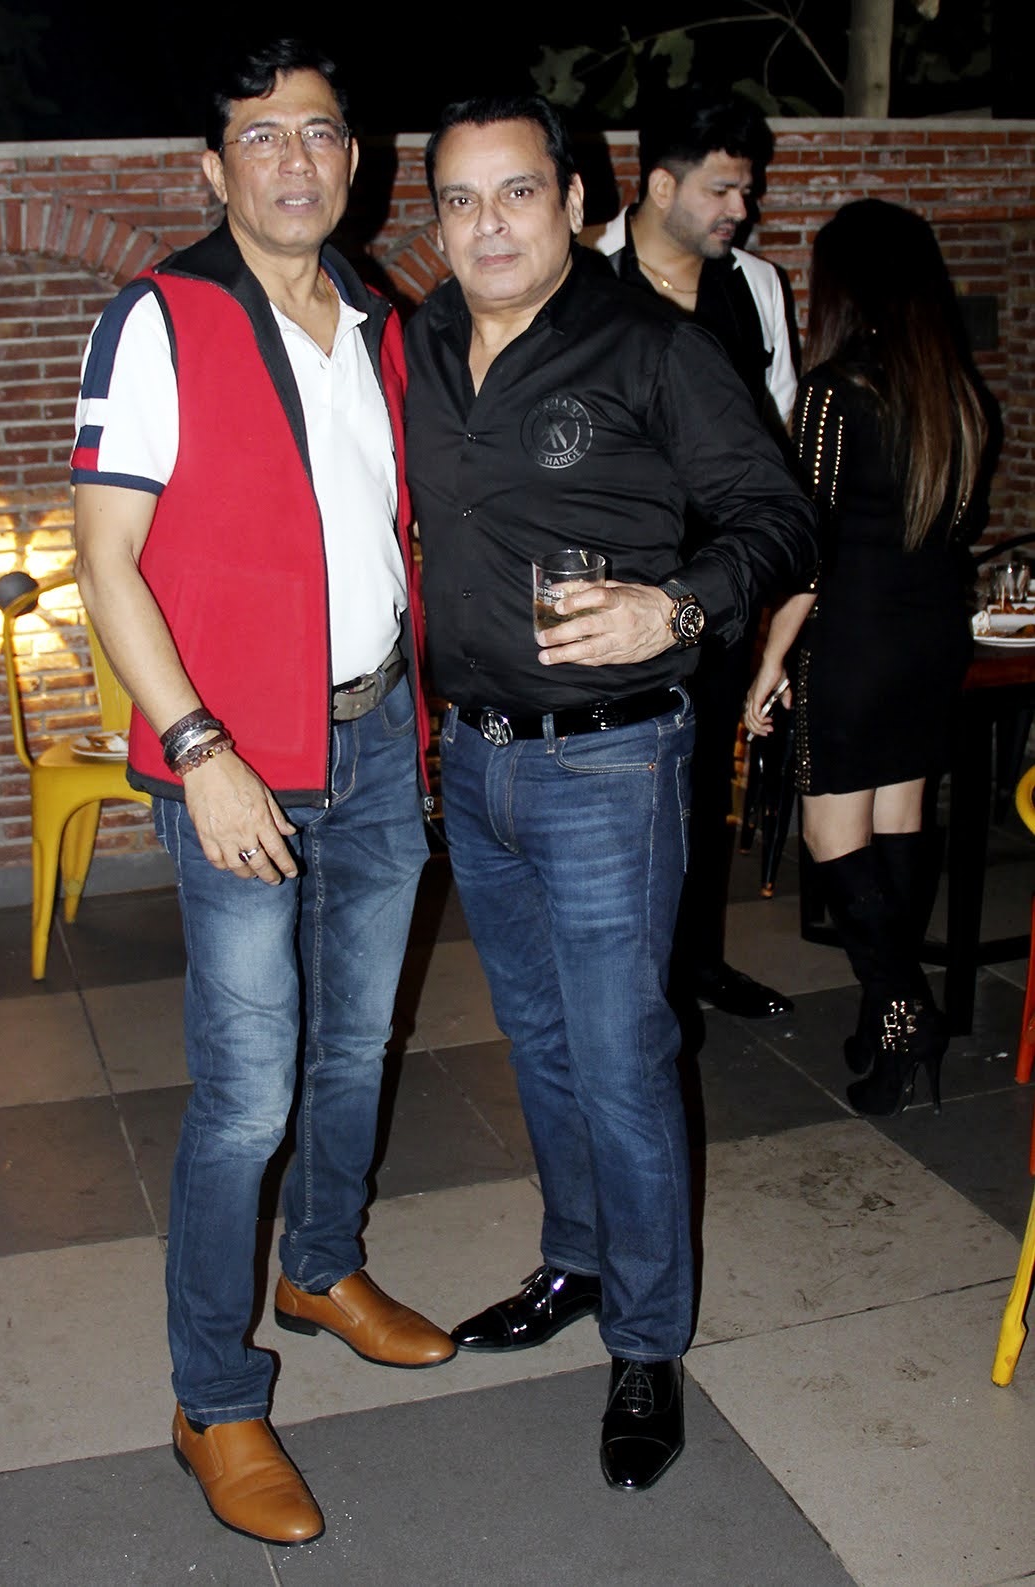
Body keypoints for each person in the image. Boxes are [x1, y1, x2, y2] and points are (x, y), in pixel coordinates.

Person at [70, 39, 454, 1548]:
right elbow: (106, 558)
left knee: (357, 1046)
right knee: (247, 1094)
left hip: (378, 741)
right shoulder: (160, 318)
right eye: (261, 136)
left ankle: (322, 1265)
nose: (296, 159)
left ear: (356, 158)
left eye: (320, 132)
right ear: (212, 168)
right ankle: (213, 1396)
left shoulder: (379, 321)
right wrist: (198, 749)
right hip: (239, 759)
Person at [405, 94, 816, 1491]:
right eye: (460, 199)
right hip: (476, 756)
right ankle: (575, 1261)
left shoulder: (652, 346)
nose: (487, 225)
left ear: (576, 200)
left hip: (611, 763)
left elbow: (780, 516)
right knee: (538, 1040)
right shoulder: (416, 341)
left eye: (517, 191)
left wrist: (675, 607)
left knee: (624, 1055)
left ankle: (646, 1340)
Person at [744, 198, 990, 1117]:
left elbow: (807, 549)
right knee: (897, 823)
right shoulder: (956, 392)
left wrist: (770, 659)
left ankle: (902, 1014)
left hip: (852, 641)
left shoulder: (832, 392)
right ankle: (884, 1019)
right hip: (931, 636)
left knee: (831, 838)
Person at [591, 89, 800, 1021]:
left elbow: (777, 431)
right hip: (616, 583)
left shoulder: (754, 286)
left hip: (719, 586)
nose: (739, 210)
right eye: (722, 190)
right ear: (662, 185)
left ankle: (697, 964)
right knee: (625, 788)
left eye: (745, 192)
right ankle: (634, 984)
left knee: (707, 771)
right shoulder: (585, 275)